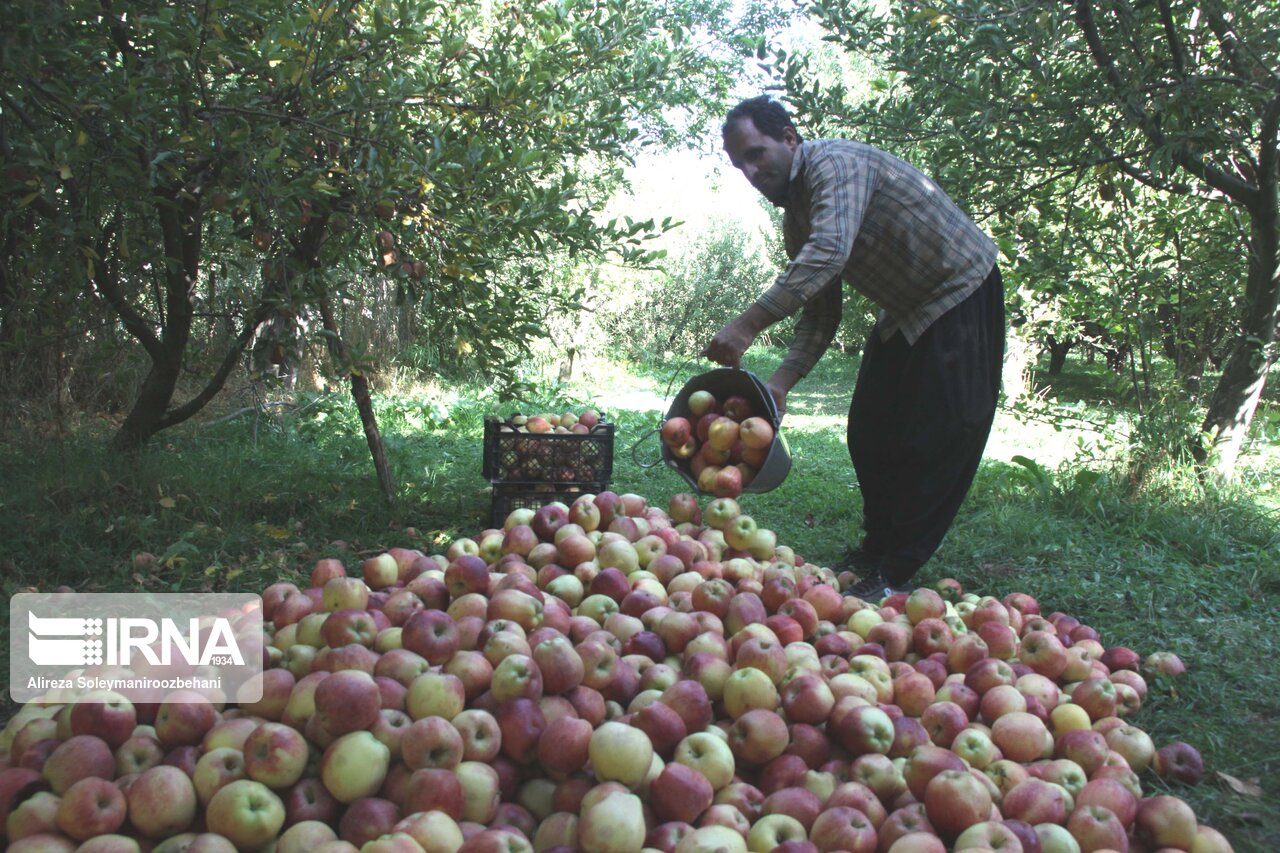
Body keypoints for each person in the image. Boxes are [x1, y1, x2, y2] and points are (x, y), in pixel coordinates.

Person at [702, 95, 1005, 602]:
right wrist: (780, 383)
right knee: (869, 430)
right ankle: (875, 549)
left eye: (757, 154)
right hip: (906, 307)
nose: (752, 172)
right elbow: (822, 311)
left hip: (960, 288)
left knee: (940, 435)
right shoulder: (796, 220)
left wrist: (748, 323)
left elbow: (828, 253)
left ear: (789, 139)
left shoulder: (833, 165)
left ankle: (895, 568)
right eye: (740, 165)